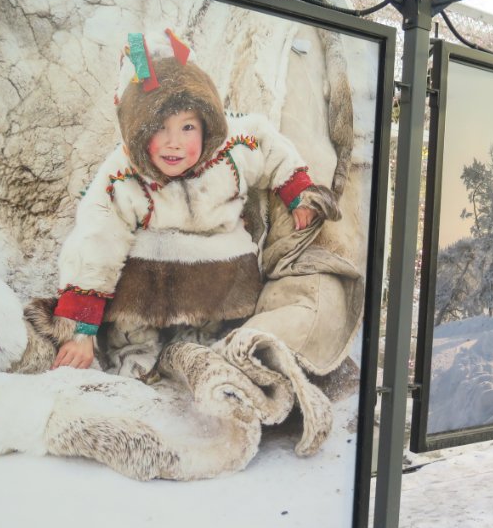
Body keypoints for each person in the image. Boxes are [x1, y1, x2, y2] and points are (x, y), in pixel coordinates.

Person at [49, 29, 339, 377]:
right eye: (159, 128)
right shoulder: (122, 175)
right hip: (151, 284)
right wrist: (82, 332)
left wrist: (298, 191)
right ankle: (134, 347)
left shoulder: (234, 144)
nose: (174, 143)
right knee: (127, 285)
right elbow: (96, 239)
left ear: (207, 123)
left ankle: (204, 338)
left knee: (222, 317)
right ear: (138, 128)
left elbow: (269, 145)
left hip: (218, 279)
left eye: (187, 128)